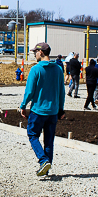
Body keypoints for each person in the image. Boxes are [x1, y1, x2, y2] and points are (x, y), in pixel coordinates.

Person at [19, 42, 65, 177]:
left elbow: (29, 92)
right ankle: (47, 167)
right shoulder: (58, 69)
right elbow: (61, 92)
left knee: (33, 135)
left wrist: (23, 106)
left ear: (41, 53)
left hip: (38, 110)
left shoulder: (36, 69)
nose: (34, 54)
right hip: (53, 111)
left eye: (35, 52)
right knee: (49, 140)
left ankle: (43, 160)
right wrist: (61, 109)